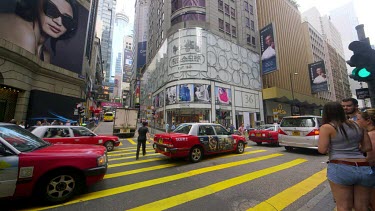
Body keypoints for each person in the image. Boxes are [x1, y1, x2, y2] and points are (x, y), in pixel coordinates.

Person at [318, 102, 373, 211]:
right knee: (362, 207)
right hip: (363, 167)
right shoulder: (358, 125)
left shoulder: (327, 127)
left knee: (344, 206)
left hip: (341, 167)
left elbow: (322, 149)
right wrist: (354, 150)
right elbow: (367, 147)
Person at [0, 0, 78, 63]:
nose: (58, 22)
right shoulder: (23, 32)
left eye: (67, 20)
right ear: (38, 4)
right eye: (52, 10)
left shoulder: (45, 55)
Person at [356, 108, 375, 210]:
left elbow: (371, 159)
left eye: (359, 119)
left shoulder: (371, 135)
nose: (357, 121)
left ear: (368, 121)